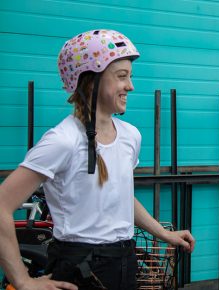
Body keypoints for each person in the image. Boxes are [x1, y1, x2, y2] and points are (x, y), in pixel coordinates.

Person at [0, 29, 195, 290]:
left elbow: (120, 196)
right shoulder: (63, 140)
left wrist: (162, 233)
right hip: (78, 267)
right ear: (91, 82)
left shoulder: (130, 136)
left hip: (124, 262)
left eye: (130, 76)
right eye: (121, 77)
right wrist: (22, 281)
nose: (131, 86)